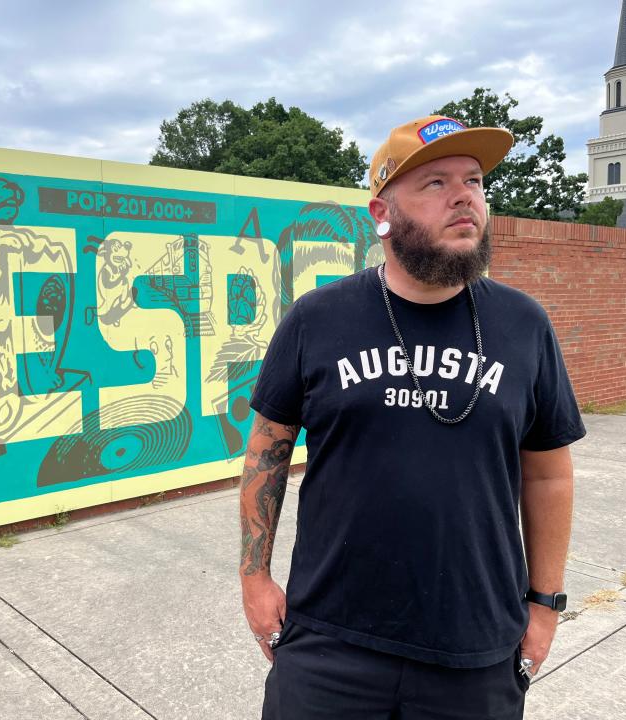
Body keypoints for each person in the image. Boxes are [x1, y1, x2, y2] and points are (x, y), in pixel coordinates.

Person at [239, 114, 585, 719]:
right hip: (328, 642)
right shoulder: (316, 319)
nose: (463, 196)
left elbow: (549, 473)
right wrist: (253, 578)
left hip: (476, 651)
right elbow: (266, 451)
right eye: (434, 183)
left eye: (474, 181)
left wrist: (545, 604)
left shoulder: (524, 325)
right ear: (382, 213)